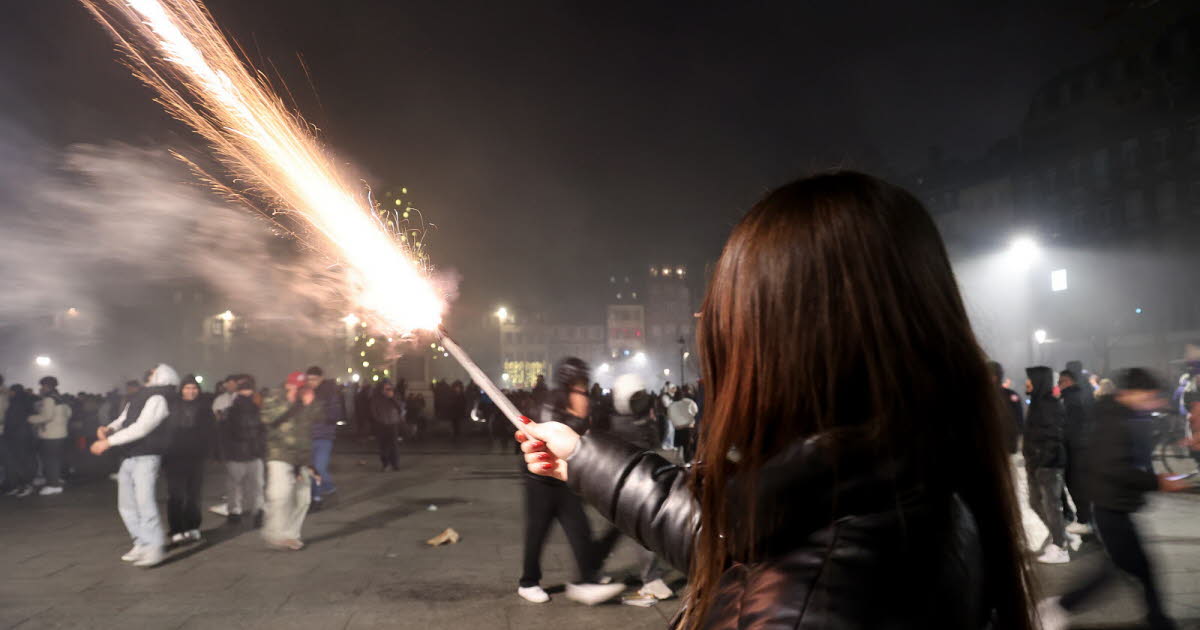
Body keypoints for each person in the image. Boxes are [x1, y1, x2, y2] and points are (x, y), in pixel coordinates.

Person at [516, 172, 1035, 629]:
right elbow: (723, 535)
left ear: (791, 344)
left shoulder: (808, 601)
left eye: (733, 319)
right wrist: (580, 457)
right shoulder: (892, 478)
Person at [1039, 368, 1189, 630]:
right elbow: (1114, 469)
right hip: (1110, 508)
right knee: (1123, 569)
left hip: (1114, 506)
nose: (1154, 403)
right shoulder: (1114, 421)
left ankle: (1157, 620)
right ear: (1132, 393)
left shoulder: (1120, 415)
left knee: (1134, 568)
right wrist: (1158, 482)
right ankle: (1059, 606)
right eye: (1150, 396)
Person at [518, 357, 624, 606]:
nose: (584, 388)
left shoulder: (578, 400)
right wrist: (576, 415)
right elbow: (550, 436)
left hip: (565, 476)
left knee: (579, 527)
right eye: (580, 383)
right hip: (541, 479)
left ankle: (587, 579)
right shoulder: (551, 402)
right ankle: (528, 582)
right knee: (537, 530)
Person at [91, 364, 178, 568]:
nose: (149, 374)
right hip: (130, 455)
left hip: (147, 456)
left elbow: (142, 427)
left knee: (144, 502)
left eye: (154, 372)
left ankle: (154, 547)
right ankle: (141, 542)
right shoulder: (142, 396)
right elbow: (124, 419)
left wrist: (108, 442)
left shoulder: (158, 398)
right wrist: (109, 428)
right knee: (127, 504)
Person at [607, 374, 675, 603]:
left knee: (637, 531)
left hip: (629, 484)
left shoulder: (620, 423)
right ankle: (650, 578)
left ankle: (650, 580)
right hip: (643, 481)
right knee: (641, 531)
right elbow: (657, 440)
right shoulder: (643, 422)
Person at [261, 372, 322, 549]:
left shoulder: (304, 401)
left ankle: (291, 534)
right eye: (294, 386)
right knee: (281, 493)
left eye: (301, 387)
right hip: (279, 453)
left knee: (304, 498)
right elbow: (269, 419)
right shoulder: (274, 397)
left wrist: (309, 465)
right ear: (287, 384)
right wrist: (295, 404)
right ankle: (274, 532)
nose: (297, 390)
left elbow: (308, 429)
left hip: (300, 457)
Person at [1024, 365, 1076, 563]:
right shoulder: (1037, 403)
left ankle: (1060, 547)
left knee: (1050, 505)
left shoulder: (1048, 404)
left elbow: (1053, 437)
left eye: (1030, 379)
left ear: (1039, 381)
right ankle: (1060, 534)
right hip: (1037, 464)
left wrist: (1041, 461)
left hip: (1048, 464)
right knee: (1035, 502)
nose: (1027, 383)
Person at [165, 375, 215, 545]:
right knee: (176, 494)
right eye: (187, 388)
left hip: (196, 456)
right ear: (181, 389)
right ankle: (176, 529)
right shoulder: (172, 406)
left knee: (194, 494)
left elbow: (211, 432)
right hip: (174, 456)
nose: (191, 391)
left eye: (194, 388)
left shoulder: (204, 408)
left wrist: (208, 451)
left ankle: (193, 526)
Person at [219, 375, 265, 525]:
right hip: (253, 453)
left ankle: (235, 511)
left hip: (237, 454)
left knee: (235, 485)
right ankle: (258, 510)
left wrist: (224, 453)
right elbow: (263, 432)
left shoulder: (229, 411)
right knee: (256, 485)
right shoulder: (259, 410)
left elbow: (224, 434)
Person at [1059, 369, 1094, 536]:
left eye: (1062, 381)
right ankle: (1087, 519)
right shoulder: (1084, 394)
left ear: (1070, 381)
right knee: (1082, 485)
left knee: (1077, 485)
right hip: (1083, 447)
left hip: (1075, 449)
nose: (1059, 385)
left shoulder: (1070, 399)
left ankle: (1084, 520)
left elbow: (1069, 427)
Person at [27, 376, 72, 496]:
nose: (41, 388)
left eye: (42, 386)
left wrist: (29, 418)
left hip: (50, 435)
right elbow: (69, 413)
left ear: (47, 386)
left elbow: (46, 416)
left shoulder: (49, 399)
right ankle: (56, 479)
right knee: (56, 459)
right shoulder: (60, 398)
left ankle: (53, 485)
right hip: (61, 433)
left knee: (50, 460)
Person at [305, 366, 339, 509]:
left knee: (318, 468)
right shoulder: (306, 392)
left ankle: (320, 495)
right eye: (309, 379)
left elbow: (335, 414)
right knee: (312, 469)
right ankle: (318, 495)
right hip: (308, 436)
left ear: (321, 378)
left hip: (324, 436)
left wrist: (316, 410)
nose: (311, 382)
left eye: (314, 379)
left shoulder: (330, 393)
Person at [3, 384, 37, 497]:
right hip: (22, 436)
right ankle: (21, 486)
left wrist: (7, 433)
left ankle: (26, 486)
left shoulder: (16, 403)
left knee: (22, 463)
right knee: (20, 462)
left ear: (14, 392)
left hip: (18, 437)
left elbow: (12, 422)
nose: (9, 393)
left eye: (11, 391)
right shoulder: (24, 402)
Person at [990, 361, 1024, 456]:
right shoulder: (981, 395)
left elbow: (1018, 417)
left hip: (1004, 443)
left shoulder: (1009, 395)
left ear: (995, 377)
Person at [371, 380, 405, 471]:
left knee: (394, 445)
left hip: (393, 423)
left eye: (389, 387)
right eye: (386, 388)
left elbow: (400, 408)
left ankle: (395, 463)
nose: (388, 389)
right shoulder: (377, 397)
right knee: (383, 445)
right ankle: (385, 464)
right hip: (381, 424)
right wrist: (379, 419)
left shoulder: (395, 396)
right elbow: (374, 410)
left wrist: (392, 397)